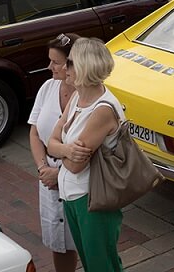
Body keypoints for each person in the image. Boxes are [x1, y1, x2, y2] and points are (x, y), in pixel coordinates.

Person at [46, 38, 125, 272]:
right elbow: (51, 144)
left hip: (92, 200)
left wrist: (60, 149)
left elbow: (76, 166)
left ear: (82, 67)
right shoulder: (76, 98)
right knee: (91, 263)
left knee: (102, 265)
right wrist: (66, 150)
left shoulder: (102, 110)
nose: (63, 68)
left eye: (69, 63)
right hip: (72, 196)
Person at [28, 33, 80, 272]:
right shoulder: (48, 87)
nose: (50, 67)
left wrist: (57, 174)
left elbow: (87, 149)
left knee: (84, 242)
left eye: (56, 62)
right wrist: (43, 169)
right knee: (59, 242)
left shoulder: (88, 97)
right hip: (48, 178)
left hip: (78, 180)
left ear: (73, 63)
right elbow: (35, 133)